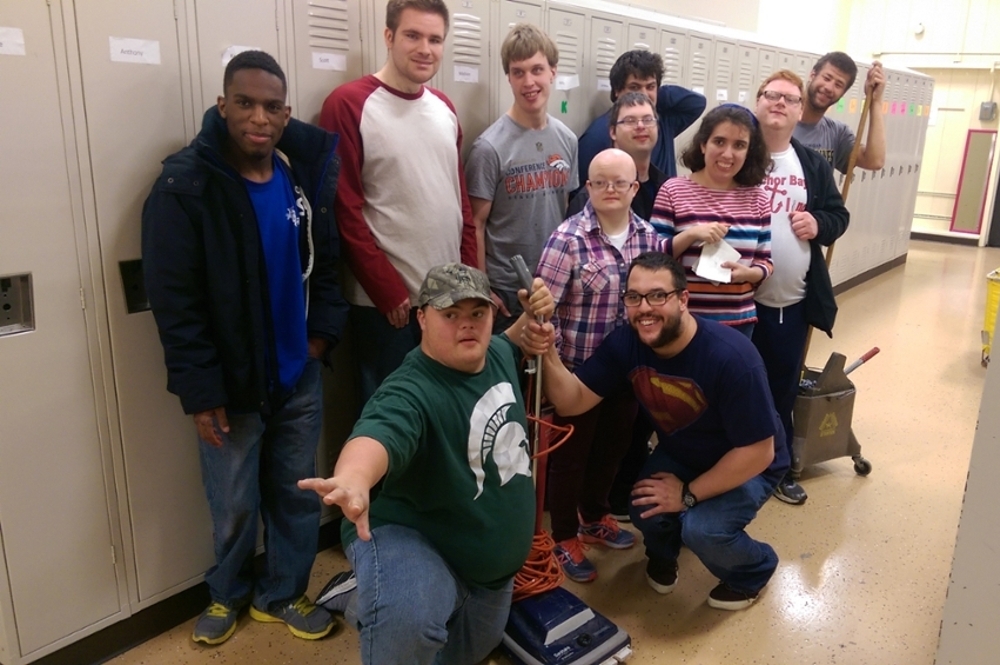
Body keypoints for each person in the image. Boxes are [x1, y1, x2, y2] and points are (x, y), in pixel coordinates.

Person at [142, 50, 347, 645]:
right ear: (222, 105)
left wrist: (318, 338)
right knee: (232, 503)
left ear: (286, 114)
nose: (259, 117)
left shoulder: (300, 173)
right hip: (230, 384)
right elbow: (176, 303)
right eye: (246, 103)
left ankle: (281, 594)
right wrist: (201, 392)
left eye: (272, 106)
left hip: (297, 375)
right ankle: (226, 595)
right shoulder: (186, 185)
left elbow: (326, 262)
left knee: (296, 494)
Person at [299, 263, 555, 665]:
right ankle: (380, 592)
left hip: (483, 569)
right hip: (408, 535)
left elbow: (514, 336)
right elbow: (378, 433)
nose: (466, 325)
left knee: (460, 654)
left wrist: (534, 311)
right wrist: (353, 479)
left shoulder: (499, 353)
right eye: (450, 315)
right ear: (421, 318)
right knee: (408, 623)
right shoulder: (411, 389)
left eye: (477, 313)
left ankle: (363, 594)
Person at [531, 251, 789, 610]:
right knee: (644, 507)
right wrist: (547, 351)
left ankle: (755, 569)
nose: (644, 308)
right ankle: (665, 554)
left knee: (703, 529)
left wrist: (686, 494)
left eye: (658, 295)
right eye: (634, 297)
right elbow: (572, 402)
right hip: (686, 452)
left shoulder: (733, 358)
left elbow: (759, 452)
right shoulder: (628, 343)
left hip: (749, 462)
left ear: (683, 299)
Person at [319, 0, 477, 405]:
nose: (425, 48)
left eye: (435, 39)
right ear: (389, 37)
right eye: (413, 35)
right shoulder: (349, 104)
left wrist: (472, 283)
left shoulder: (444, 108)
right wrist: (388, 291)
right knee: (391, 422)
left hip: (447, 300)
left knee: (446, 416)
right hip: (386, 308)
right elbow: (345, 208)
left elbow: (461, 206)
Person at [536, 149, 668, 582]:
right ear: (587, 188)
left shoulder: (648, 239)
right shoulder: (566, 240)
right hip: (578, 371)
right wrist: (554, 366)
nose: (610, 190)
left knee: (613, 447)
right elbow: (544, 312)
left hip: (627, 372)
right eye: (600, 182)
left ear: (635, 188)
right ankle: (563, 535)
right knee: (571, 457)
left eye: (620, 183)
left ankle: (594, 516)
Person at [753, 70, 850, 506]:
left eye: (789, 99)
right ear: (757, 102)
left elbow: (838, 217)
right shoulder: (738, 156)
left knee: (782, 388)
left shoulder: (811, 164)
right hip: (736, 304)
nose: (779, 103)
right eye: (771, 95)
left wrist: (819, 224)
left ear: (799, 110)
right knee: (733, 387)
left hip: (788, 304)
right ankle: (730, 467)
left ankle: (778, 468)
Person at [465, 23, 577, 331]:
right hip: (506, 293)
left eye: (537, 69)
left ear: (553, 72)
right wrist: (482, 288)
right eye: (518, 72)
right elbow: (475, 224)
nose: (529, 82)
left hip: (553, 283)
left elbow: (563, 210)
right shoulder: (489, 147)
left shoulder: (568, 140)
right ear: (509, 78)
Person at [649, 104, 773, 337]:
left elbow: (765, 263)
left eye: (739, 145)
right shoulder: (674, 190)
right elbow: (653, 256)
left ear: (749, 152)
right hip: (684, 320)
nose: (728, 154)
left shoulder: (758, 198)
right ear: (703, 144)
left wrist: (748, 274)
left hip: (738, 322)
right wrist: (692, 235)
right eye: (719, 142)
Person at [577, 49, 705, 184]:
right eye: (634, 87)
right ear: (617, 91)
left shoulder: (665, 120)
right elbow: (583, 192)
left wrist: (653, 95)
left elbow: (697, 103)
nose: (643, 94)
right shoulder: (597, 135)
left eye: (650, 86)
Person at [566, 91, 667, 221]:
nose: (641, 126)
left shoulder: (666, 188)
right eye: (630, 120)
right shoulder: (592, 196)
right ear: (613, 132)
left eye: (648, 120)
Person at [794, 51, 886, 173]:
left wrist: (875, 101)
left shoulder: (837, 133)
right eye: (827, 78)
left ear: (843, 93)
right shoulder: (776, 123)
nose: (829, 88)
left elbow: (875, 161)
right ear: (812, 75)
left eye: (838, 85)